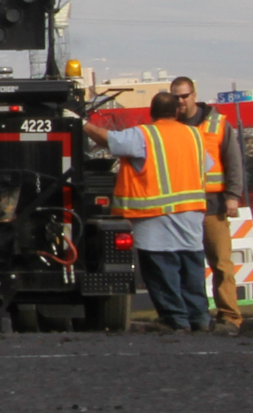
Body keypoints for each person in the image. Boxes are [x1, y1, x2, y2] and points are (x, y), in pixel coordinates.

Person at [83, 92, 211, 332]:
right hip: (191, 212)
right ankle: (199, 318)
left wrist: (81, 123)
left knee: (162, 268)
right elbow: (206, 166)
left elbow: (108, 140)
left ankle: (175, 319)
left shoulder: (145, 135)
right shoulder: (195, 134)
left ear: (152, 112)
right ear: (176, 111)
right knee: (191, 266)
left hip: (154, 214)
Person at [172, 77, 245, 335]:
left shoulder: (218, 124)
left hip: (213, 206)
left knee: (221, 264)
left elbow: (233, 161)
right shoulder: (170, 127)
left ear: (194, 95)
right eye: (176, 97)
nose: (180, 101)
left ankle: (229, 317)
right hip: (181, 207)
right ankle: (194, 317)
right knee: (185, 265)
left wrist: (233, 195)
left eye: (184, 96)